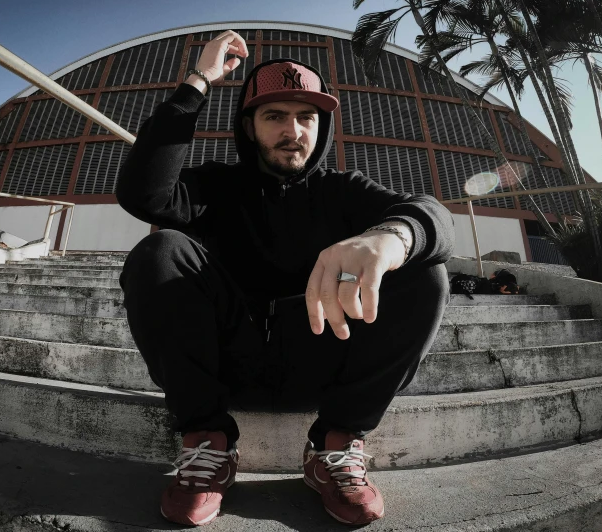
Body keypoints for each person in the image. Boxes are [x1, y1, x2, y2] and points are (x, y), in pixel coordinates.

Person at [117, 30, 454, 527]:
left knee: (425, 270)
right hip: (226, 366)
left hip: (324, 360)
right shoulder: (215, 187)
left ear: (321, 128)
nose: (292, 130)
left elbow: (435, 217)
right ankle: (208, 444)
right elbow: (144, 195)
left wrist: (391, 236)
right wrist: (199, 81)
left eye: (306, 117)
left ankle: (333, 445)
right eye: (274, 115)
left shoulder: (345, 191)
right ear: (250, 126)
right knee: (160, 249)